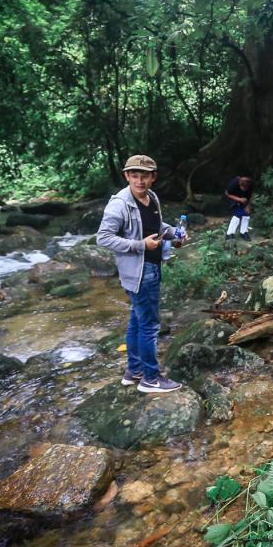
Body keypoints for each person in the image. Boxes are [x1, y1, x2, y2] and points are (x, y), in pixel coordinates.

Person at [96, 155, 184, 393]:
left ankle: (134, 371)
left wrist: (174, 235)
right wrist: (140, 245)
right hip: (138, 272)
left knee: (137, 321)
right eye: (134, 175)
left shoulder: (151, 197)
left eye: (145, 175)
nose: (140, 180)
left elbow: (157, 227)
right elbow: (103, 238)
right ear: (127, 176)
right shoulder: (119, 204)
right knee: (149, 326)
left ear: (153, 177)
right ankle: (151, 379)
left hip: (152, 267)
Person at [224, 171, 254, 241]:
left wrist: (248, 206)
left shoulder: (250, 184)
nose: (246, 182)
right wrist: (239, 199)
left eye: (248, 181)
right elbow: (227, 193)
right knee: (238, 213)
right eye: (244, 181)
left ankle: (243, 232)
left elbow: (251, 195)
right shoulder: (233, 183)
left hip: (243, 199)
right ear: (239, 179)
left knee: (246, 213)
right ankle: (229, 234)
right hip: (231, 198)